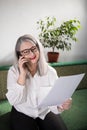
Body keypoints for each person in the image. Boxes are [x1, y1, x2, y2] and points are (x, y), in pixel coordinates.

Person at [6, 34, 72, 130]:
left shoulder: (50, 72)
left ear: (38, 48)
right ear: (20, 55)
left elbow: (55, 97)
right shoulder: (13, 71)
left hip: (44, 111)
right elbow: (13, 100)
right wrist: (22, 75)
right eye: (26, 51)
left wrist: (62, 104)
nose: (32, 54)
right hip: (23, 111)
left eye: (34, 48)